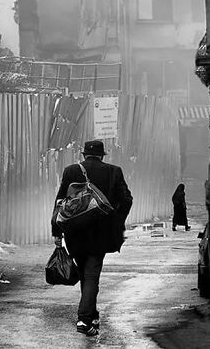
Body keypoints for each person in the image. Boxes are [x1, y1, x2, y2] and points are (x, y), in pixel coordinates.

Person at [51, 140, 133, 337]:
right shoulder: (114, 171)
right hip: (101, 233)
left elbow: (60, 202)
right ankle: (84, 319)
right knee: (91, 274)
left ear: (84, 155)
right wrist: (116, 220)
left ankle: (91, 313)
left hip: (75, 233)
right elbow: (127, 200)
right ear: (102, 155)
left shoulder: (71, 171)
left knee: (86, 274)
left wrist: (56, 231)